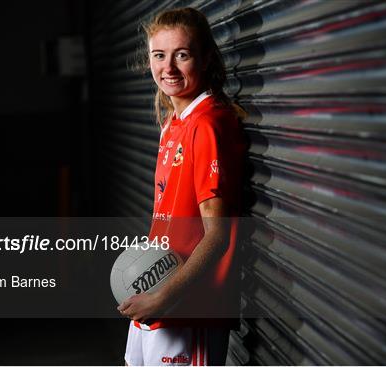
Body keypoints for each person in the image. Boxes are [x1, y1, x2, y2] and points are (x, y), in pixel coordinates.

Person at [117, 7, 246, 366]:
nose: (168, 68)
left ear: (205, 58)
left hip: (191, 307)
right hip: (161, 297)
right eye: (160, 55)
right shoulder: (174, 121)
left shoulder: (207, 125)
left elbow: (217, 236)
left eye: (182, 55)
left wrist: (164, 297)